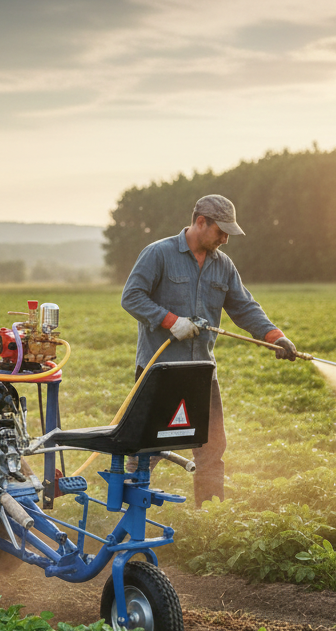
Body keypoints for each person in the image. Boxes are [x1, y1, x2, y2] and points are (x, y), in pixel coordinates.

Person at [120, 194, 297, 505]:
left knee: (212, 450)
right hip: (160, 371)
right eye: (221, 231)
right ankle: (127, 518)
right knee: (145, 450)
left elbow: (244, 307)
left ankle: (210, 523)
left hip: (202, 372)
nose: (226, 239)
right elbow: (132, 297)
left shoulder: (223, 266)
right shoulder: (158, 254)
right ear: (200, 222)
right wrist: (170, 321)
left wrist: (274, 336)